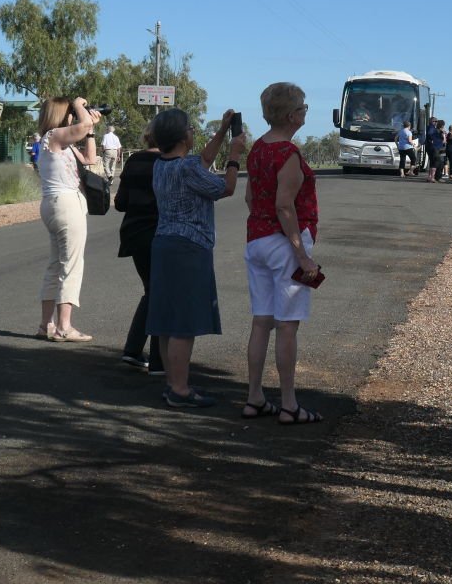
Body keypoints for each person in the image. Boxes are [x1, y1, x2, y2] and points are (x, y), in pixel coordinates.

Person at [147, 107, 245, 408]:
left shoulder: (162, 165)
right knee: (184, 324)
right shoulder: (186, 169)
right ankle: (180, 389)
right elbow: (226, 187)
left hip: (164, 243)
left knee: (168, 320)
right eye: (190, 128)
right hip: (189, 247)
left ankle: (172, 383)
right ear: (181, 136)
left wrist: (222, 130)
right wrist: (234, 156)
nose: (193, 132)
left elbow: (201, 161)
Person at [243, 82, 323, 425]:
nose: (306, 112)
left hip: (256, 241)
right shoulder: (287, 154)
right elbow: (284, 206)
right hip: (282, 243)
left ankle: (255, 397)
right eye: (303, 108)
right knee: (287, 325)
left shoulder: (258, 149)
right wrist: (301, 255)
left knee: (261, 321)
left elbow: (250, 199)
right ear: (292, 115)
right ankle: (289, 403)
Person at [35, 96, 101, 342]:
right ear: (64, 114)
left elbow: (90, 161)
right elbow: (81, 126)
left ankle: (46, 325)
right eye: (71, 112)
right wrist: (80, 105)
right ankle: (64, 326)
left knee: (56, 264)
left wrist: (91, 132)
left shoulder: (58, 141)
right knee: (72, 265)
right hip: (65, 203)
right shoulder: (54, 135)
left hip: (54, 204)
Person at [115, 120, 163, 374]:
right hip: (159, 233)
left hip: (133, 233)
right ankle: (159, 359)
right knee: (161, 293)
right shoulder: (169, 164)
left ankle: (133, 350)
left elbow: (121, 202)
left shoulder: (134, 161)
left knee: (152, 290)